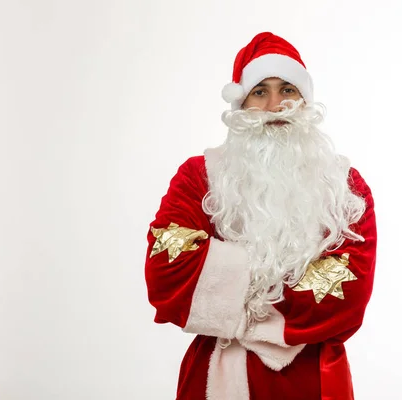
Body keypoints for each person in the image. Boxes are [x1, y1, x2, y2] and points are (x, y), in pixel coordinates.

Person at [145, 32, 377, 400]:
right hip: (218, 377)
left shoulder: (344, 186)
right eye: (259, 92)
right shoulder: (198, 176)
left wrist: (230, 289)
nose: (274, 106)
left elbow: (345, 297)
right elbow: (168, 273)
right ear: (241, 106)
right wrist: (289, 272)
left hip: (313, 380)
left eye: (287, 90)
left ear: (304, 101)